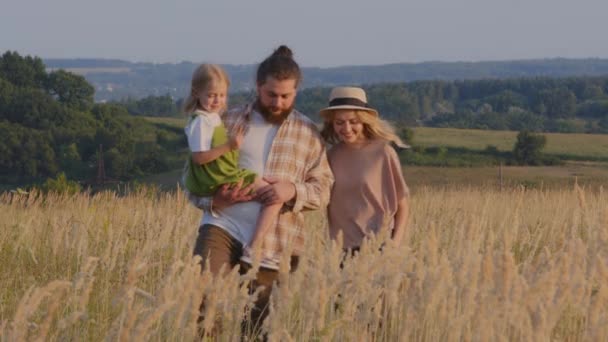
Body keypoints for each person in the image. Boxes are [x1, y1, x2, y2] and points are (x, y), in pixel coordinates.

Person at [192, 46, 333, 332]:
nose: (278, 102)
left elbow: (323, 188)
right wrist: (213, 199)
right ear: (258, 87)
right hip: (221, 225)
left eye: (286, 96)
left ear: (296, 92)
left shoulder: (308, 134)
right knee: (204, 308)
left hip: (276, 242)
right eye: (271, 95)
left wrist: (291, 191)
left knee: (258, 326)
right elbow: (194, 176)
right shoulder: (227, 121)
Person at [183, 63, 281, 260]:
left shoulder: (212, 118)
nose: (217, 100)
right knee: (276, 195)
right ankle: (254, 247)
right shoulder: (201, 122)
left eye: (221, 95)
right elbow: (199, 157)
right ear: (196, 93)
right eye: (211, 95)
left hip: (221, 173)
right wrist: (229, 146)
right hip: (219, 176)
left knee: (267, 187)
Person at [319, 86, 410, 253]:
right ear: (332, 124)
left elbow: (402, 204)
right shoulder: (330, 156)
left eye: (353, 122)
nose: (346, 129)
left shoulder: (383, 152)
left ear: (364, 121)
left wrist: (395, 244)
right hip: (341, 249)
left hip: (378, 245)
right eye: (339, 122)